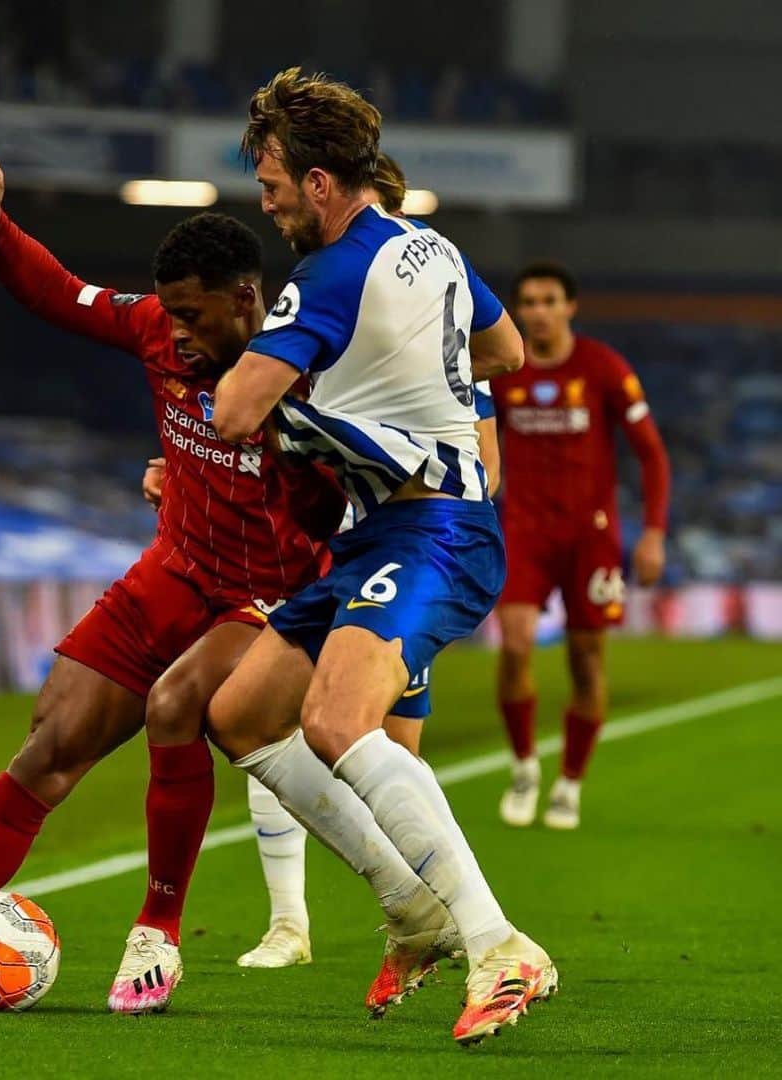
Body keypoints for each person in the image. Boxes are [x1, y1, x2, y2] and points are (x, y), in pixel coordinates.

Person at [0, 156, 343, 1011]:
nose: (176, 332)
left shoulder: (307, 370)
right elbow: (55, 293)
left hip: (265, 598)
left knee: (174, 707)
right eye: (170, 313)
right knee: (48, 749)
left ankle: (158, 930)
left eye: (194, 315)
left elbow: (354, 492)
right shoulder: (153, 329)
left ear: (246, 299)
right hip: (173, 572)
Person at [202, 68, 556, 1045]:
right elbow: (509, 354)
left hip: (432, 528)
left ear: (320, 182)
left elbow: (236, 410)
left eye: (270, 175)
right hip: (387, 531)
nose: (263, 195)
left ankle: (496, 944)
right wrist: (405, 396)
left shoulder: (329, 276)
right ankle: (412, 907)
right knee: (239, 715)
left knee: (336, 720)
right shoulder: (429, 246)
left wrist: (299, 390)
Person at [492, 261, 670, 830]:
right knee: (516, 645)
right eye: (529, 301)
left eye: (549, 300)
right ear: (518, 310)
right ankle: (524, 767)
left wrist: (654, 533)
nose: (538, 311)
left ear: (570, 307)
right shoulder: (500, 368)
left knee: (585, 660)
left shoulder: (603, 368)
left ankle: (569, 782)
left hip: (591, 536)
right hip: (522, 529)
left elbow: (652, 454)